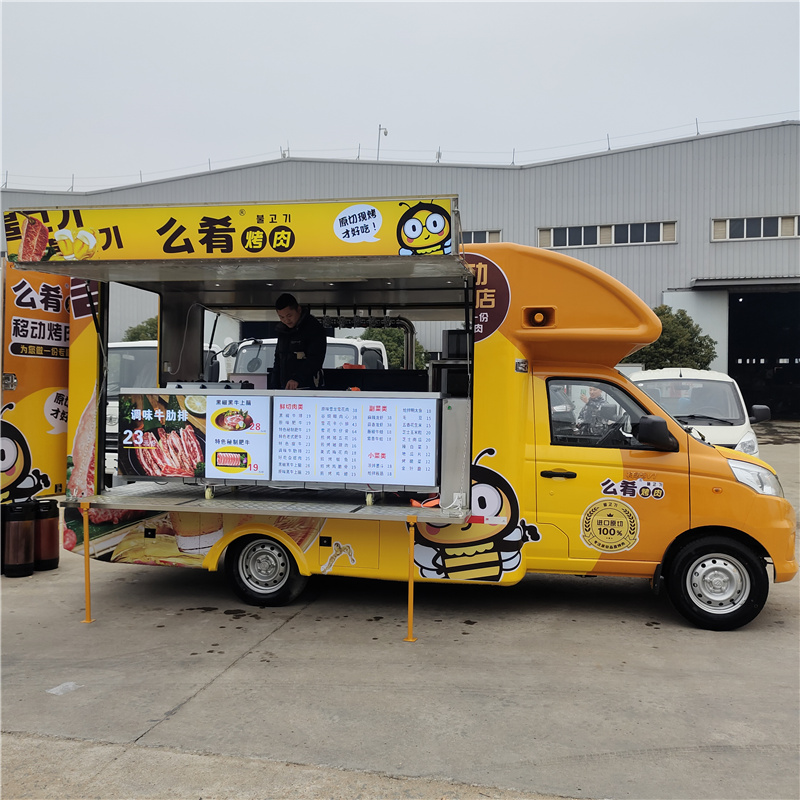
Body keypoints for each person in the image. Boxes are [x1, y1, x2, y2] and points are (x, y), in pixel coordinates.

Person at [272, 294, 327, 390]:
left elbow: (315, 359)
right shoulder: (282, 330)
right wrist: (273, 386)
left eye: (289, 315)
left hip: (308, 387)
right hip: (285, 388)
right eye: (281, 317)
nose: (286, 320)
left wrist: (298, 378)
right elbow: (278, 360)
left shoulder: (313, 328)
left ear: (298, 309)